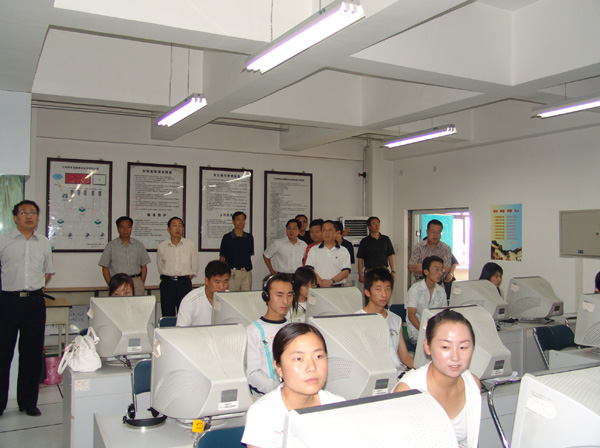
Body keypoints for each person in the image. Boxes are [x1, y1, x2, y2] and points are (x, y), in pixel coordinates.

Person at [242, 323, 345, 448]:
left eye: (318, 356)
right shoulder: (263, 413)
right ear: (279, 367)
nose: (312, 367)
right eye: (298, 359)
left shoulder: (339, 407)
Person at [394, 309, 481, 448]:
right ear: (427, 347)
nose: (455, 357)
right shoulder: (407, 392)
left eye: (463, 347)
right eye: (446, 347)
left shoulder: (472, 385)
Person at [0, 200, 55, 417]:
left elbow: (47, 272)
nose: (29, 216)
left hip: (34, 302)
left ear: (37, 217)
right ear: (15, 217)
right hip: (7, 301)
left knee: (32, 354)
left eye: (33, 212)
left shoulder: (43, 243)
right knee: (3, 353)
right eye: (23, 212)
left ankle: (28, 402)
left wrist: (34, 286)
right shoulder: (3, 241)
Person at [355, 268, 413, 373]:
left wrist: (425, 369)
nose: (384, 294)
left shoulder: (396, 319)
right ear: (367, 292)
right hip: (377, 375)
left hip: (398, 373)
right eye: (378, 289)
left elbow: (405, 357)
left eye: (387, 289)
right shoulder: (357, 319)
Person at [246, 274, 294, 396]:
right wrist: (281, 390)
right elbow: (253, 374)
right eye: (279, 295)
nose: (285, 301)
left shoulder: (294, 328)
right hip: (266, 397)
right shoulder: (254, 331)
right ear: (266, 296)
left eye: (289, 295)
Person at [157, 216, 199, 317]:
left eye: (180, 226)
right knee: (167, 314)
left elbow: (194, 267)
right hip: (167, 284)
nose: (178, 228)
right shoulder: (162, 246)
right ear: (168, 229)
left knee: (184, 314)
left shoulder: (190, 245)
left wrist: (183, 279)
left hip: (184, 284)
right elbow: (160, 267)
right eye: (174, 225)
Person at [99, 216, 150, 296]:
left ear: (131, 228)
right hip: (118, 282)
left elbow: (144, 266)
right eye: (122, 227)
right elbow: (105, 267)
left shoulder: (139, 245)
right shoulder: (111, 246)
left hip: (135, 282)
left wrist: (141, 282)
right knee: (119, 304)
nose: (125, 230)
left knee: (137, 303)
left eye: (128, 227)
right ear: (118, 229)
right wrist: (111, 284)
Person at [405, 256, 447, 345]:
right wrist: (427, 333)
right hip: (417, 333)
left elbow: (444, 315)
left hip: (435, 333)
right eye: (436, 269)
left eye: (441, 270)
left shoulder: (441, 291)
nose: (440, 273)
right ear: (426, 272)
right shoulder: (415, 289)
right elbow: (411, 315)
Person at [176, 260, 230, 327]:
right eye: (217, 282)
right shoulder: (190, 301)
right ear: (206, 281)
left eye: (225, 282)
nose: (221, 287)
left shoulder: (231, 300)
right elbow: (181, 331)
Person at [408, 219, 456, 286]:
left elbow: (446, 269)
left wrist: (422, 267)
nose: (435, 235)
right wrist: (437, 269)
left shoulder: (446, 249)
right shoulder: (418, 247)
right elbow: (412, 267)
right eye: (433, 232)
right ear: (427, 232)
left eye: (438, 232)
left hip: (438, 284)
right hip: (419, 283)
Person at [305, 220, 351, 288]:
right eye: (324, 230)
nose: (327, 233)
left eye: (330, 230)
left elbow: (346, 271)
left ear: (336, 233)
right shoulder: (313, 250)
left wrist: (331, 281)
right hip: (318, 286)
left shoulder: (343, 251)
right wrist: (320, 282)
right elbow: (309, 268)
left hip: (337, 287)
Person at [219, 211, 254, 291]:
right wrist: (223, 274)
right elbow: (222, 258)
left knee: (247, 296)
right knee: (232, 296)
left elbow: (249, 256)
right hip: (233, 273)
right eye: (238, 219)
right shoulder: (227, 237)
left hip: (246, 272)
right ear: (233, 221)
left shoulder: (249, 237)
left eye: (243, 220)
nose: (241, 222)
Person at [356, 216, 396, 283]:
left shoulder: (385, 239)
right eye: (374, 223)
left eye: (378, 223)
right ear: (369, 227)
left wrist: (393, 271)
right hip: (370, 271)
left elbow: (391, 255)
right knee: (371, 288)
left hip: (383, 270)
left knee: (384, 288)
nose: (377, 225)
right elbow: (360, 259)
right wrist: (360, 275)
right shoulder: (364, 241)